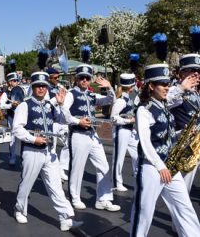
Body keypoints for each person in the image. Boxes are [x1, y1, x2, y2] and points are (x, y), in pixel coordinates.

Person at [131, 63, 200, 237]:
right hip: (152, 168)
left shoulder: (165, 109)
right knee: (144, 213)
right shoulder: (144, 109)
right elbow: (145, 142)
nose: (167, 87)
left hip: (170, 166)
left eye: (168, 83)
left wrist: (182, 133)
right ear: (151, 86)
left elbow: (168, 137)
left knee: (185, 207)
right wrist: (160, 166)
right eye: (163, 84)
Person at [13, 71, 83, 231]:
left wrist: (61, 104)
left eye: (44, 86)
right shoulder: (25, 105)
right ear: (33, 87)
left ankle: (65, 218)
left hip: (49, 152)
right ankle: (19, 209)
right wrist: (33, 139)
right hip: (31, 151)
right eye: (38, 86)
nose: (41, 89)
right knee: (27, 184)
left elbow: (63, 120)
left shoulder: (50, 105)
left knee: (56, 185)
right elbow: (16, 129)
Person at [62, 64, 120, 211]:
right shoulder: (71, 94)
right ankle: (75, 197)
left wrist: (109, 88)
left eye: (87, 78)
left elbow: (109, 100)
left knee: (104, 166)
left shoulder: (91, 95)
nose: (85, 80)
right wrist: (77, 121)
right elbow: (64, 112)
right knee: (78, 167)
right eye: (82, 77)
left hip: (93, 134)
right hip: (78, 134)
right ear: (76, 78)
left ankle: (103, 199)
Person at [167, 53, 200, 193]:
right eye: (192, 71)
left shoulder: (195, 92)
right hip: (182, 145)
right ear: (181, 73)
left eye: (198, 71)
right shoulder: (174, 90)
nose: (196, 74)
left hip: (196, 143)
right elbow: (161, 103)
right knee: (182, 187)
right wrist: (181, 88)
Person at [110, 73, 138, 192]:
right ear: (131, 86)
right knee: (119, 157)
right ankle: (117, 182)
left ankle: (139, 176)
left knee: (138, 153)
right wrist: (129, 120)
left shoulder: (129, 98)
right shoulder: (121, 100)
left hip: (129, 130)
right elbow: (113, 118)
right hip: (121, 130)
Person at [46, 67, 69, 182]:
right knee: (52, 148)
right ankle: (54, 173)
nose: (57, 79)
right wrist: (56, 99)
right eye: (55, 77)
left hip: (62, 121)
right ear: (48, 77)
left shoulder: (60, 87)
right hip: (51, 121)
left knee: (68, 144)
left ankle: (61, 168)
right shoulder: (45, 89)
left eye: (58, 77)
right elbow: (45, 105)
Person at [0, 72, 24, 165]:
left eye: (16, 80)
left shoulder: (22, 89)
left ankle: (23, 157)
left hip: (22, 116)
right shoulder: (6, 93)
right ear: (9, 82)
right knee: (12, 137)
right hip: (11, 116)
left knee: (24, 138)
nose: (15, 82)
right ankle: (12, 157)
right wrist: (10, 105)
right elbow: (1, 105)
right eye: (13, 81)